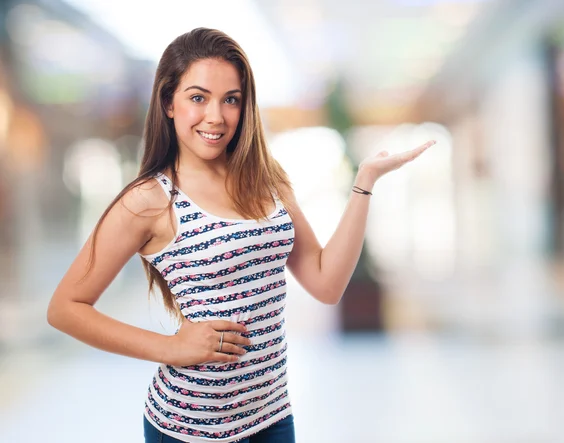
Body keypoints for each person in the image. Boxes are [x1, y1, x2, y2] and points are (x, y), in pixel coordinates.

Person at [46, 27, 435, 443]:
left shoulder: (267, 180)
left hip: (272, 416)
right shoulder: (148, 200)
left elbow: (326, 283)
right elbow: (65, 308)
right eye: (198, 98)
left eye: (230, 99)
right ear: (168, 103)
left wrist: (365, 182)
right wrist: (170, 348)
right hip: (188, 429)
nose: (216, 116)